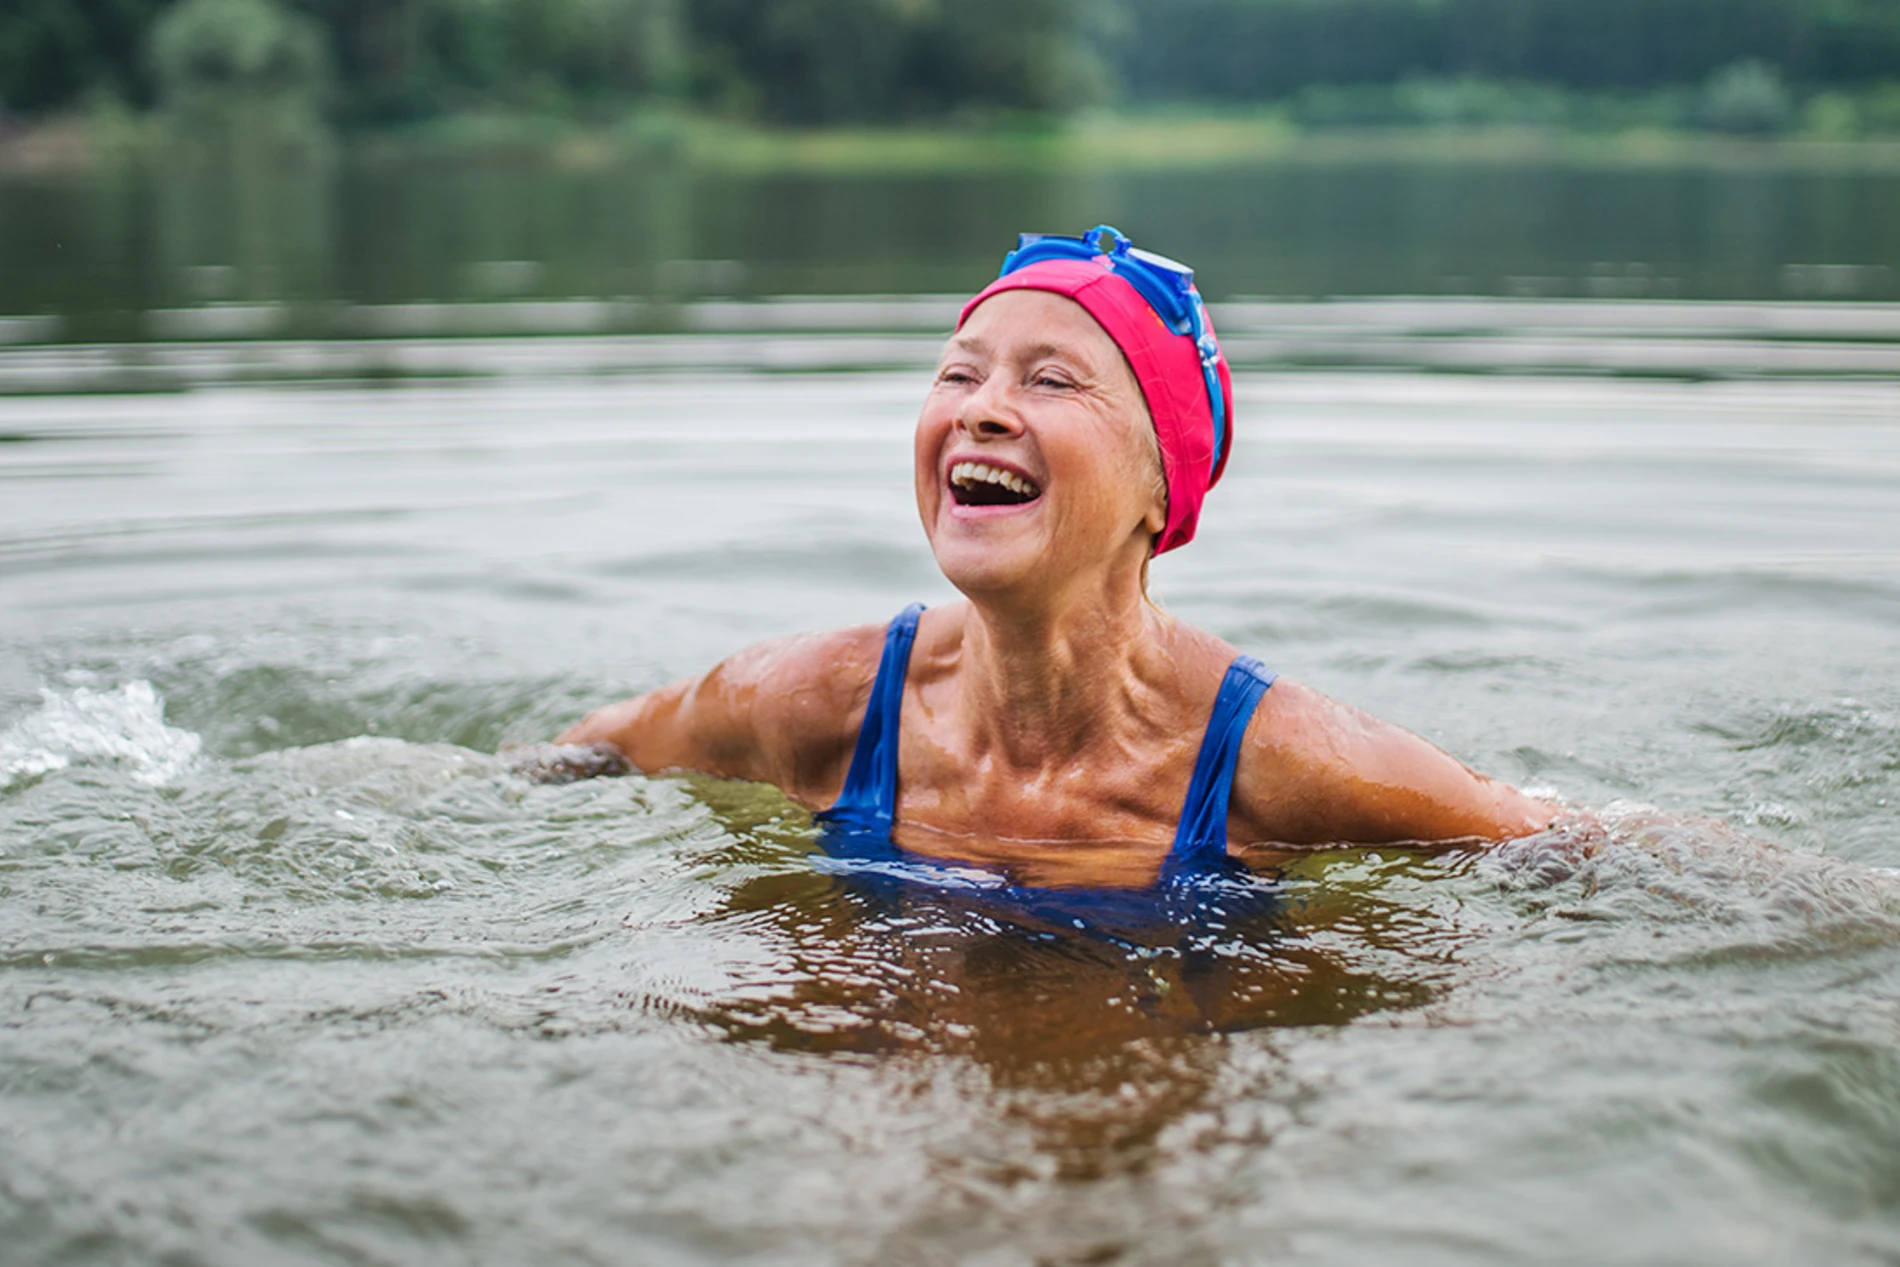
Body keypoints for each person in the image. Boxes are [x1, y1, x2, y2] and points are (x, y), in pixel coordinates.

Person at [559, 226, 1555, 891]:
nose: (981, 407)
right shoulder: (817, 699)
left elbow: (1573, 844)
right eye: (959, 372)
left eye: (1050, 381)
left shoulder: (1282, 761)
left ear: (1163, 488)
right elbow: (587, 755)